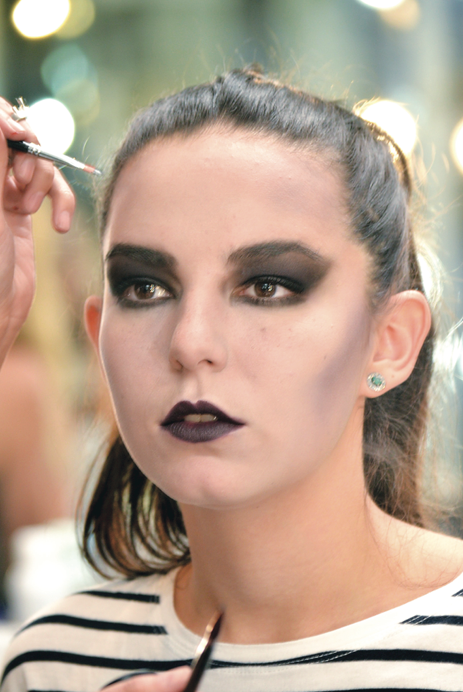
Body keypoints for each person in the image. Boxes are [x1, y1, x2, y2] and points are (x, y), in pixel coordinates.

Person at [1, 67, 463, 692]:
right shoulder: (55, 664)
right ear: (97, 332)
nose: (190, 343)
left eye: (267, 286)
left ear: (390, 341)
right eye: (145, 288)